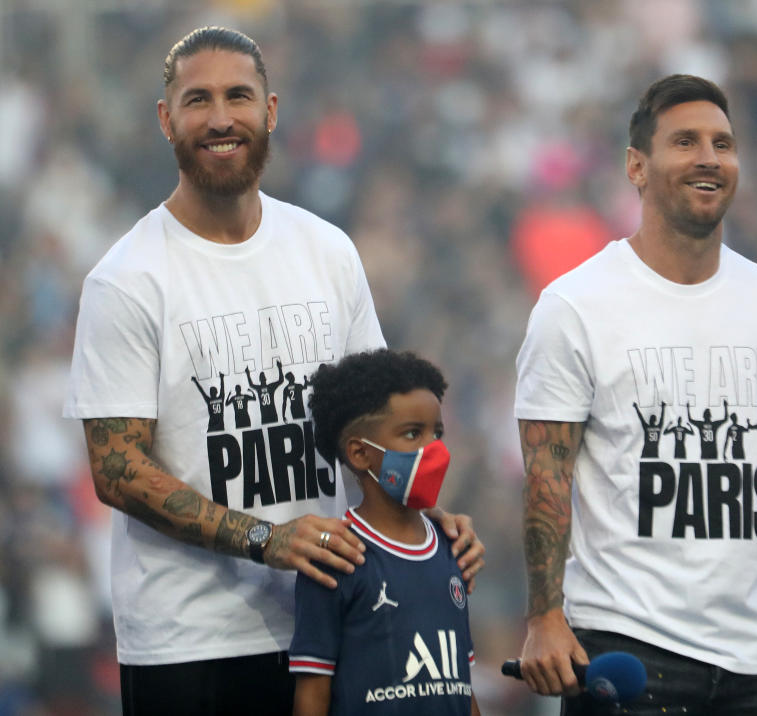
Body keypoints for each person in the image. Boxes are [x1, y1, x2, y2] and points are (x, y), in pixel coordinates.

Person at [62, 27, 483, 716]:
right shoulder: (127, 279)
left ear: (272, 110)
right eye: (198, 100)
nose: (221, 117)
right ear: (167, 120)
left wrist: (428, 523)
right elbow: (115, 469)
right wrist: (265, 540)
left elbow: (375, 425)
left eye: (239, 96)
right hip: (192, 642)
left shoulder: (326, 250)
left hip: (339, 616)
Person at [513, 74, 757, 714]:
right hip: (628, 650)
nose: (709, 157)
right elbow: (547, 475)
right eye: (685, 141)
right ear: (636, 166)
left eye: (723, 143)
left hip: (754, 657)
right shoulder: (575, 305)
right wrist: (545, 616)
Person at [290, 349, 481, 715]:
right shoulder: (337, 556)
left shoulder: (451, 547)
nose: (433, 449)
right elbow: (312, 695)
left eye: (436, 432)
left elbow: (460, 684)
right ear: (361, 454)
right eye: (413, 433)